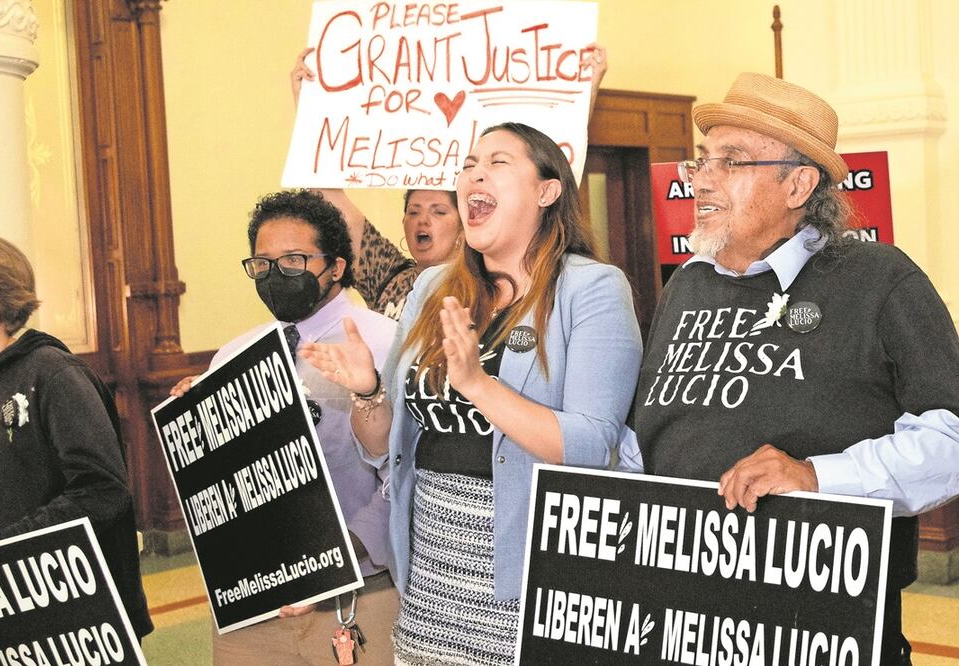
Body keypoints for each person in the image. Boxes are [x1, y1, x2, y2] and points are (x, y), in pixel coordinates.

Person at [622, 73, 959, 665]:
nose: (703, 181)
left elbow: (951, 439)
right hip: (677, 617)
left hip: (819, 628)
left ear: (799, 183)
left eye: (732, 162)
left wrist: (815, 476)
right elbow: (647, 434)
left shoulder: (880, 279)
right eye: (701, 162)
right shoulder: (685, 286)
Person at [300, 123, 642, 664]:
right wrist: (366, 391)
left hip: (529, 569)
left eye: (499, 162)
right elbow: (384, 444)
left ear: (547, 192)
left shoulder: (592, 287)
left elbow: (592, 444)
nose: (475, 172)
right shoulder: (434, 288)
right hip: (430, 566)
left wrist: (478, 386)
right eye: (469, 163)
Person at [170, 189, 399, 664]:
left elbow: (409, 472)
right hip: (252, 606)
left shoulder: (384, 341)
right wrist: (192, 431)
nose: (276, 275)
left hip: (357, 593)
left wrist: (345, 547)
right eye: (262, 263)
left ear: (336, 267)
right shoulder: (234, 356)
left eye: (294, 259)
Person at [0, 231, 153, 639]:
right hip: (14, 605)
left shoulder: (53, 374)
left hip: (88, 612)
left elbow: (103, 491)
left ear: (6, 303)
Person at [289, 46, 609, 320]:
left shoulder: (498, 282)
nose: (423, 220)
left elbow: (547, 170)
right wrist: (311, 114)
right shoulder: (392, 278)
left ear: (466, 218)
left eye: (439, 211)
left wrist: (582, 94)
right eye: (413, 211)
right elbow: (335, 207)